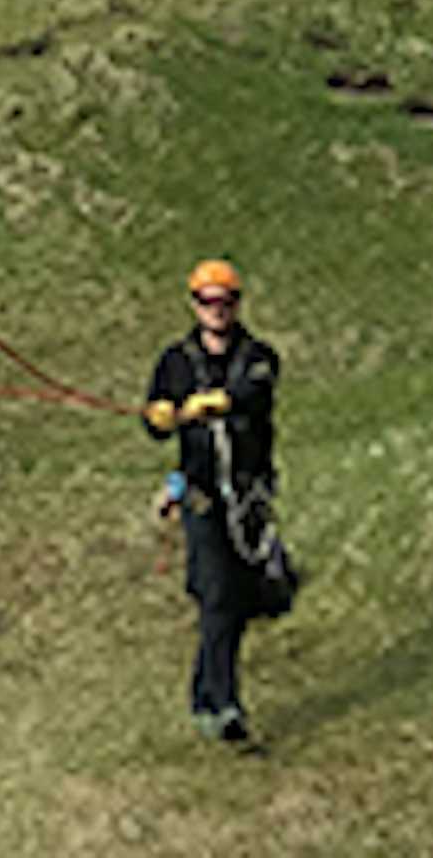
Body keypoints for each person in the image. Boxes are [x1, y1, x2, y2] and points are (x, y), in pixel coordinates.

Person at [146, 256, 285, 750]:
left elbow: (256, 390)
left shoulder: (257, 355)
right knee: (218, 595)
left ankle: (205, 697)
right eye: (207, 301)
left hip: (247, 499)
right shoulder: (177, 361)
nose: (216, 310)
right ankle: (224, 707)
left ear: (237, 305)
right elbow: (155, 415)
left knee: (241, 602)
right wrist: (159, 416)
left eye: (224, 301)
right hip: (203, 498)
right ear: (194, 305)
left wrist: (222, 400)